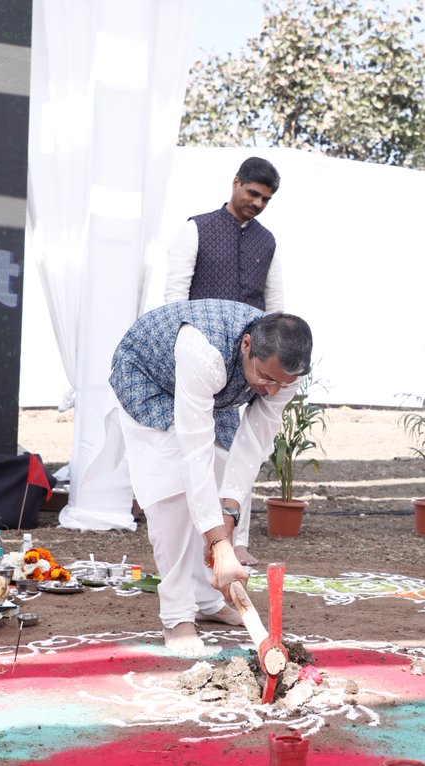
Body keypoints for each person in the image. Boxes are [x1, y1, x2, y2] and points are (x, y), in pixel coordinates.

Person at [105, 300, 312, 654]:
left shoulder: (284, 373)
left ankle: (207, 600)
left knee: (220, 469)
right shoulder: (203, 351)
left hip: (210, 391)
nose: (273, 390)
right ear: (246, 345)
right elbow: (192, 450)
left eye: (283, 383)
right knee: (171, 495)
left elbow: (253, 445)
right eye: (265, 378)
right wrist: (218, 543)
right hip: (148, 377)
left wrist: (228, 515)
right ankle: (177, 616)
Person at [164, 156, 284, 567]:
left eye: (265, 199)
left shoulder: (267, 242)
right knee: (197, 447)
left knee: (243, 447)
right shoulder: (195, 229)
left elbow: (276, 309)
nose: (257, 203)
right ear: (235, 183)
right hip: (201, 356)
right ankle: (196, 536)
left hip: (252, 361)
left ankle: (239, 540)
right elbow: (174, 299)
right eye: (252, 193)